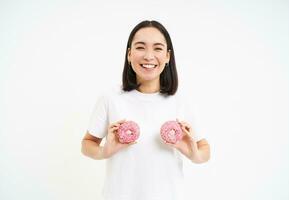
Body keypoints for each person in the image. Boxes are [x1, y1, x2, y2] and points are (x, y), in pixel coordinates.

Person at [81, 20, 210, 200]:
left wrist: (192, 153)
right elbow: (87, 144)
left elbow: (204, 150)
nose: (149, 56)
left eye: (157, 48)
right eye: (140, 47)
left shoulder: (180, 100)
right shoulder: (110, 98)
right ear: (129, 54)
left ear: (167, 56)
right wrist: (105, 151)